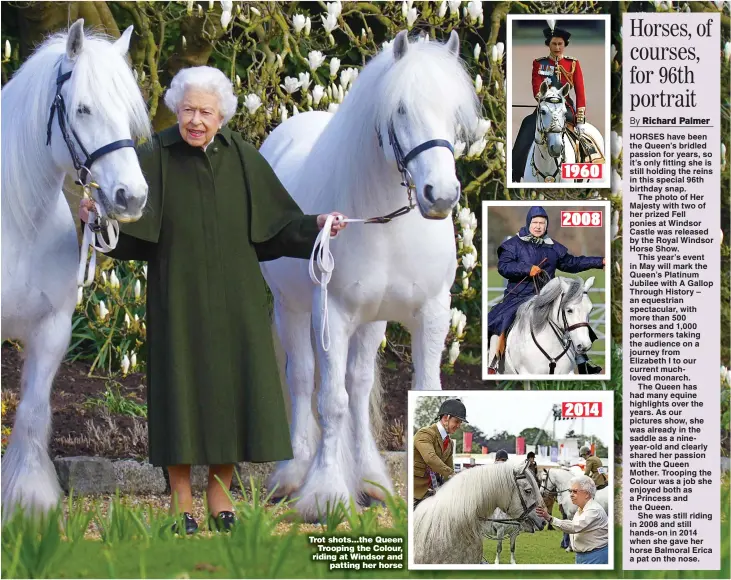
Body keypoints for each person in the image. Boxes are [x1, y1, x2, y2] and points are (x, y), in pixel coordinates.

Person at [79, 66, 347, 535]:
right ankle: (181, 496)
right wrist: (95, 219)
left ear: (221, 115)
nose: (196, 120)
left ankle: (219, 490)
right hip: (176, 296)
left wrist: (319, 224)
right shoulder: (155, 155)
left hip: (237, 298)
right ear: (176, 111)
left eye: (205, 111)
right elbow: (126, 228)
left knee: (232, 392)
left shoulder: (242, 156)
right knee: (179, 392)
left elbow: (278, 225)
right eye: (187, 110)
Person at [486, 206, 605, 375]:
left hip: (547, 296)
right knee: (497, 319)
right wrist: (527, 269)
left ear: (546, 225)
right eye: (535, 222)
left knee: (573, 318)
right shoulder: (512, 245)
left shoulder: (553, 247)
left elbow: (573, 263)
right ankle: (493, 362)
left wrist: (600, 262)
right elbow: (504, 267)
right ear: (529, 223)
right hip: (518, 296)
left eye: (542, 223)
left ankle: (583, 361)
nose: (538, 226)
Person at [511, 24, 586, 183]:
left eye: (560, 44)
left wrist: (580, 118)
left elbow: (580, 92)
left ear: (565, 45)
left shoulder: (573, 64)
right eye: (554, 44)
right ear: (548, 45)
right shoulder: (539, 64)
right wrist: (547, 100)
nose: (557, 47)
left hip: (566, 108)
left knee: (584, 141)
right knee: (527, 125)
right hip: (545, 107)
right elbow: (536, 88)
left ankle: (583, 173)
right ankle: (515, 170)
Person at [536, 475, 609, 564]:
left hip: (595, 557)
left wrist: (550, 518)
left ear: (586, 494)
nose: (571, 495)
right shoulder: (581, 509)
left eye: (575, 491)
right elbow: (573, 524)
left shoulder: (594, 510)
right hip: (584, 556)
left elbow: (574, 527)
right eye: (570, 491)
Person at [412, 399, 468, 510]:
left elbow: (448, 472)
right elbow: (430, 458)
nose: (459, 426)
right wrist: (452, 474)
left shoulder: (450, 444)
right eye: (457, 421)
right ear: (446, 418)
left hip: (434, 492)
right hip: (415, 492)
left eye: (460, 423)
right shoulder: (425, 434)